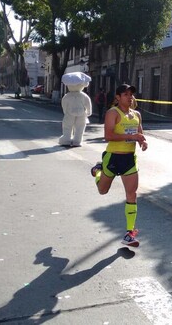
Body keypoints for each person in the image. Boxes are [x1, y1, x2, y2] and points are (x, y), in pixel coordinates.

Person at [90, 84, 148, 247]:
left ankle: (129, 233)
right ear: (117, 97)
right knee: (103, 191)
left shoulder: (136, 114)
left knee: (132, 194)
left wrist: (143, 142)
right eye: (125, 94)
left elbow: (140, 135)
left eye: (131, 95)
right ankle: (97, 171)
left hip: (129, 160)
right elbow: (108, 135)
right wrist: (132, 135)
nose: (129, 97)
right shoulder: (112, 113)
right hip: (113, 158)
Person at [58, 73, 92, 147]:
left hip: (69, 113)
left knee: (67, 126)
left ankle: (66, 139)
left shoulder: (67, 96)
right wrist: (89, 112)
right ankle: (77, 140)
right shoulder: (84, 96)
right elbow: (88, 104)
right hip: (82, 113)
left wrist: (65, 112)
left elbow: (64, 105)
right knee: (80, 127)